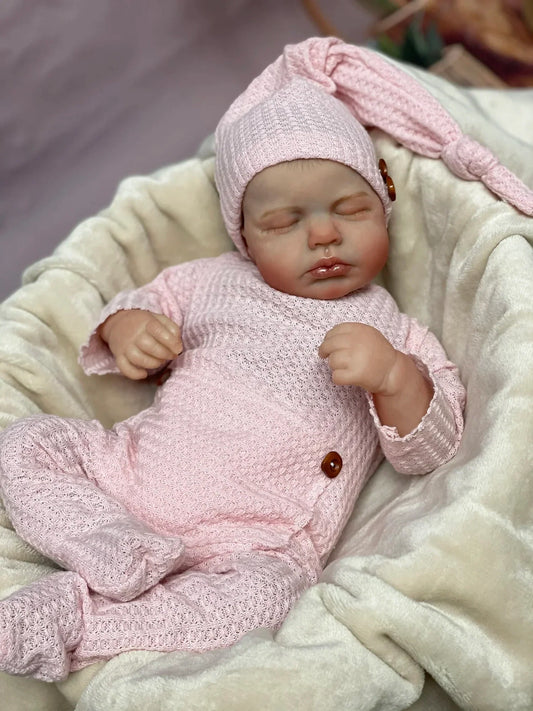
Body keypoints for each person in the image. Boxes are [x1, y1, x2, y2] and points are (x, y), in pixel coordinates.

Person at [0, 40, 471, 683]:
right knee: (23, 444)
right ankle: (106, 544)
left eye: (351, 209)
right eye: (283, 223)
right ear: (244, 237)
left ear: (383, 208)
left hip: (254, 536)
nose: (324, 234)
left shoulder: (396, 331)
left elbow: (434, 448)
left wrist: (394, 377)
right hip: (131, 474)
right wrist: (129, 327)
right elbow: (147, 300)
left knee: (264, 601)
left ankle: (79, 622)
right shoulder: (213, 280)